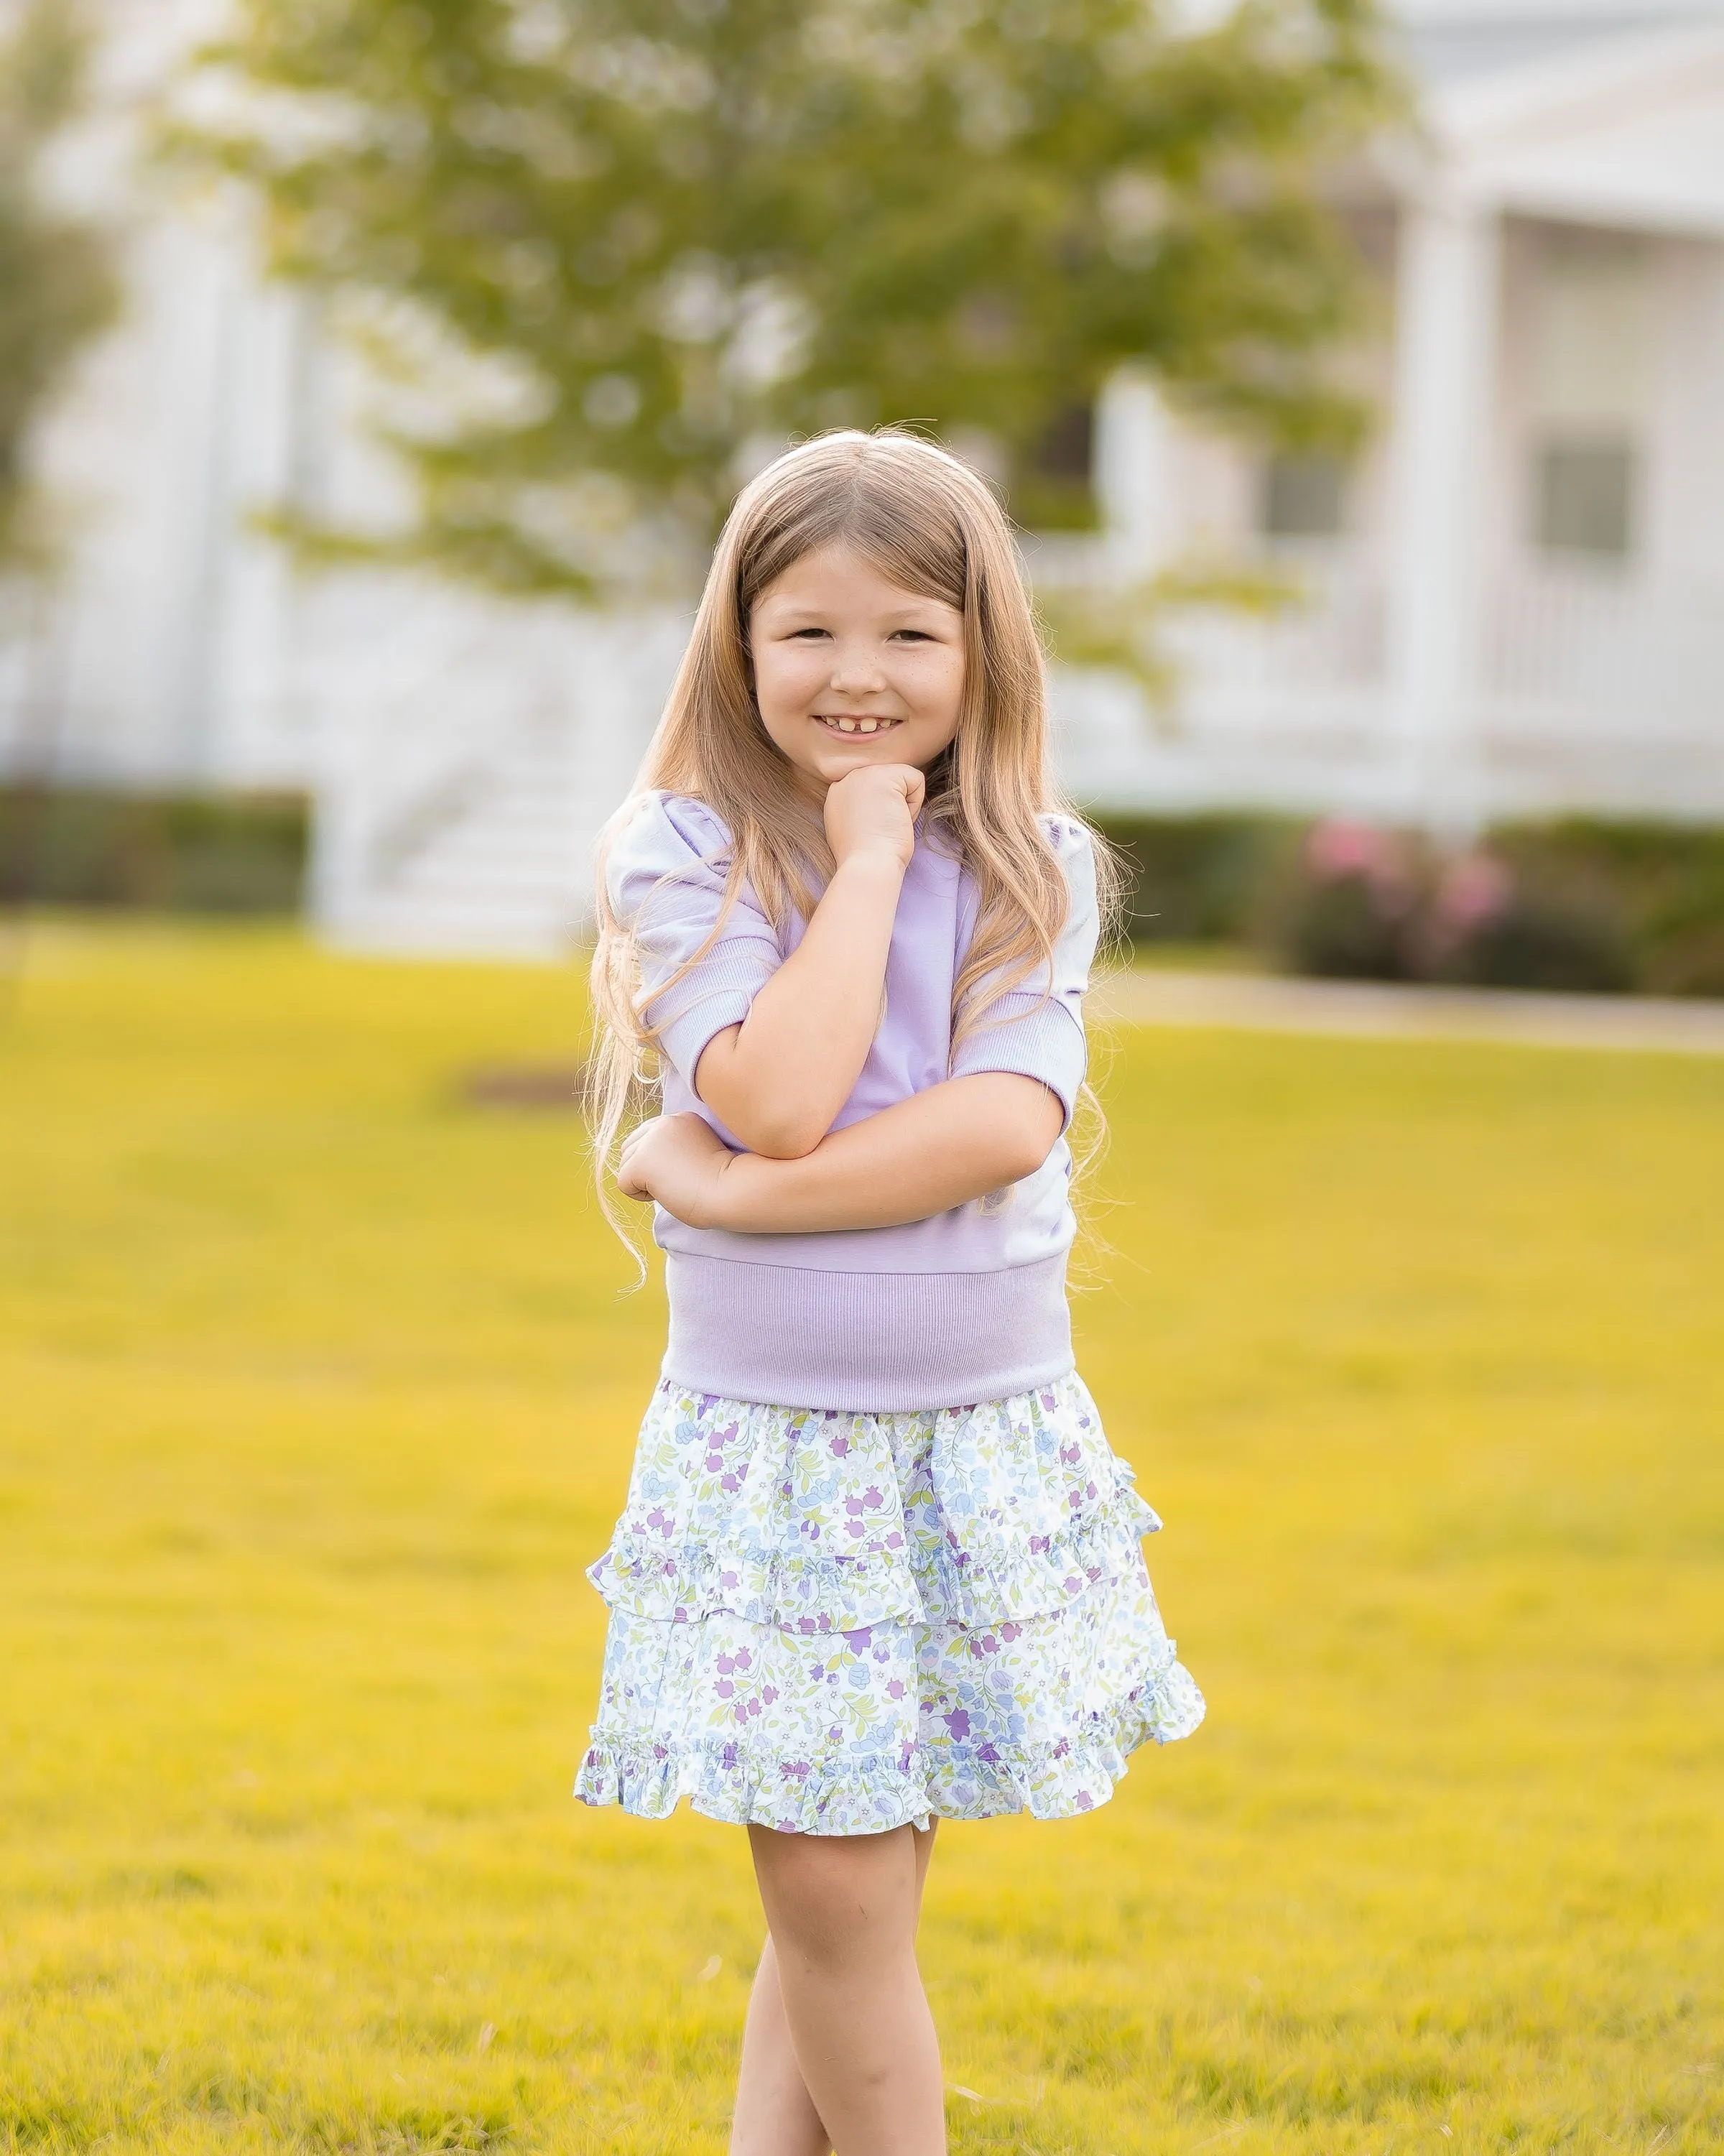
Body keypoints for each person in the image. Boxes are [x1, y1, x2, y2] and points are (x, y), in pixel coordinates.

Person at [576, 429, 1204, 2155]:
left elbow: (1003, 1127)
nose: (859, 675)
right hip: (778, 1443)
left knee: (853, 1887)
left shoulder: (1031, 864)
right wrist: (861, 864)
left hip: (976, 1429)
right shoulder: (685, 849)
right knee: (838, 1895)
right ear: (740, 643)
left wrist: (704, 1183)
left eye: (910, 634)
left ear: (981, 649)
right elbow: (779, 1087)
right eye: (812, 632)